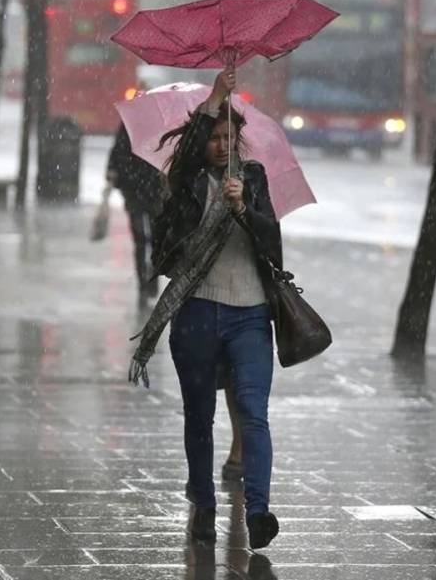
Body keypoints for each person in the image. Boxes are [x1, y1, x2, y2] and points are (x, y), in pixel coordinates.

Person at [129, 67, 282, 549]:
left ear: (240, 140)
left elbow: (274, 244)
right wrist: (215, 98)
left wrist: (244, 211)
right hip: (197, 312)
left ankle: (258, 511)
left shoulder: (253, 179)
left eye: (228, 136)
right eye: (213, 137)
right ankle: (204, 507)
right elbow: (173, 227)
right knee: (199, 415)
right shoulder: (187, 181)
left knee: (253, 414)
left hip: (251, 315)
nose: (220, 144)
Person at [106, 122, 163, 307]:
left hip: (152, 189)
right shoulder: (131, 125)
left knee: (153, 238)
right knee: (142, 238)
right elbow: (118, 150)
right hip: (136, 188)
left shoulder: (160, 127)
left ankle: (150, 278)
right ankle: (143, 284)